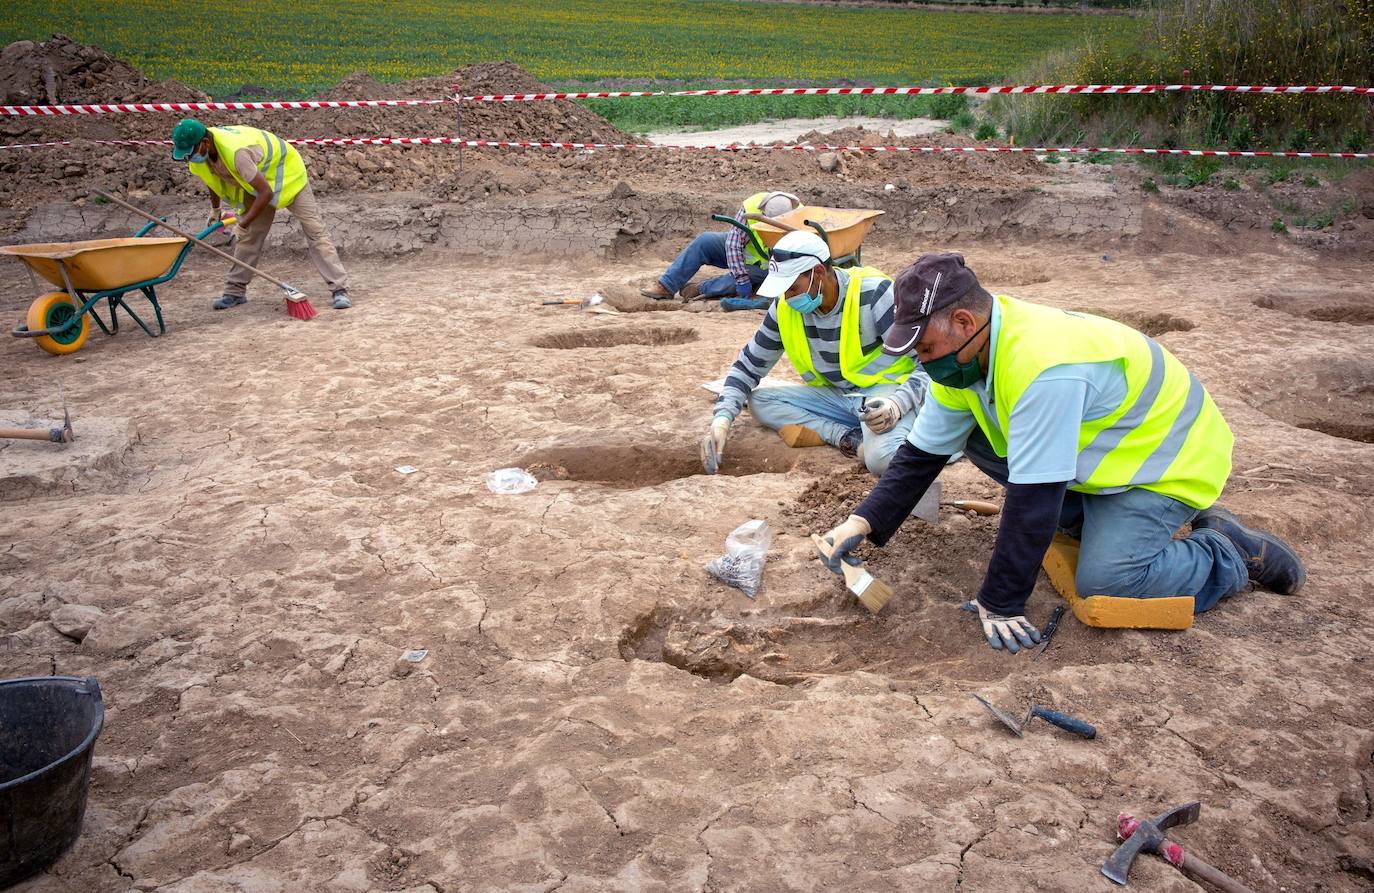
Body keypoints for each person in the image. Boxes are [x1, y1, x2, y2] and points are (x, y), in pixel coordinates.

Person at [816, 253, 1306, 652]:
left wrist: (1002, 601)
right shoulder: (972, 350)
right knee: (976, 437)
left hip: (1164, 463)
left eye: (924, 347)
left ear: (964, 320)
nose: (921, 362)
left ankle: (1227, 549)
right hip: (1104, 457)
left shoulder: (1042, 366)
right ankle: (1089, 521)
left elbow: (1034, 493)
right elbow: (922, 454)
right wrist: (862, 522)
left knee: (1108, 580)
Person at [703, 231, 931, 476]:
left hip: (886, 393)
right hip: (839, 398)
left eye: (792, 288)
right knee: (759, 402)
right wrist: (722, 419)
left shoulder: (874, 294)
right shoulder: (784, 308)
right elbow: (749, 366)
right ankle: (849, 437)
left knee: (882, 460)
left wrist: (897, 405)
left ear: (819, 273)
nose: (787, 298)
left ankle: (919, 435)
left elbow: (928, 366)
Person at [170, 118, 351, 311]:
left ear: (205, 143)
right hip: (255, 184)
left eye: (191, 153)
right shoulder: (200, 155)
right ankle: (235, 292)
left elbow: (266, 193)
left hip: (289, 175)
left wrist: (242, 224)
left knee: (315, 231)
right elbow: (211, 180)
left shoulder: (236, 154)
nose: (189, 159)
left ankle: (339, 290)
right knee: (249, 237)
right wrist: (215, 209)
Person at [641, 191, 801, 310]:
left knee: (748, 275)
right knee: (705, 241)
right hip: (747, 253)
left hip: (770, 267)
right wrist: (741, 278)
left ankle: (700, 288)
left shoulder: (801, 218)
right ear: (763, 212)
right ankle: (666, 286)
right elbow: (733, 244)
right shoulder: (752, 207)